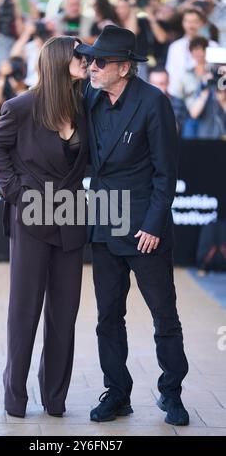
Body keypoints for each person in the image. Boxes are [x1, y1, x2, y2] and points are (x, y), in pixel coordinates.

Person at [76, 25, 189, 426]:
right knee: (108, 315)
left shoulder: (153, 103)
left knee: (164, 314)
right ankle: (118, 393)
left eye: (100, 61)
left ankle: (172, 392)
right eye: (90, 59)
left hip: (144, 228)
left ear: (124, 68)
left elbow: (166, 172)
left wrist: (154, 224)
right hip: (105, 220)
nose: (92, 66)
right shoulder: (91, 95)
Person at [0, 36, 88, 418]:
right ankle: (15, 397)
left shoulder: (84, 105)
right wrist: (14, 190)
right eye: (79, 55)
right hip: (31, 217)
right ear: (60, 60)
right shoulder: (22, 106)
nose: (85, 61)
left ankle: (55, 398)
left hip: (72, 217)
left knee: (65, 313)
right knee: (24, 310)